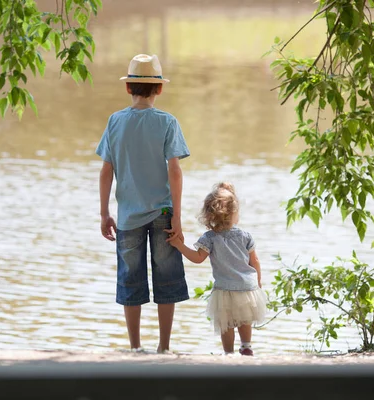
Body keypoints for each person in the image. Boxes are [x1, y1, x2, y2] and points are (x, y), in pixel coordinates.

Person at [96, 54, 190, 353]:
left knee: (129, 280)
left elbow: (106, 170)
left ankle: (135, 347)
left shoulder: (115, 121)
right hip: (163, 212)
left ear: (128, 88)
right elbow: (174, 170)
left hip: (127, 217)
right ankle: (164, 347)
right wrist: (177, 216)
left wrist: (104, 213)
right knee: (167, 279)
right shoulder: (167, 121)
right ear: (159, 89)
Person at [166, 182, 266, 356]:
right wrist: (257, 280)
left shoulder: (210, 238)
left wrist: (179, 245)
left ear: (209, 214)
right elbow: (255, 261)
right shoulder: (245, 236)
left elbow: (197, 259)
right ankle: (246, 346)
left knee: (225, 322)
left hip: (224, 288)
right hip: (246, 286)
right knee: (245, 318)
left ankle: (228, 353)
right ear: (234, 212)